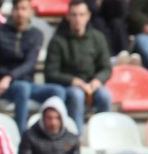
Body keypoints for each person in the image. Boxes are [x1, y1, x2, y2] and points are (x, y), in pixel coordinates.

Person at [0, 0, 50, 134]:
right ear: (12, 10)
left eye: (24, 9)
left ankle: (51, 136)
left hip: (26, 83)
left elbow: (30, 63)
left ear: (30, 11)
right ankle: (20, 135)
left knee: (59, 92)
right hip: (1, 85)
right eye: (17, 8)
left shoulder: (36, 34)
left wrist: (10, 77)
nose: (20, 12)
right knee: (22, 88)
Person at [44, 1, 112, 138]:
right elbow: (50, 73)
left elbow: (106, 67)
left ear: (88, 16)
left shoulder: (98, 38)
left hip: (92, 84)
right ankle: (76, 137)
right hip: (69, 86)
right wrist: (73, 80)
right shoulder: (58, 40)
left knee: (105, 96)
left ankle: (104, 136)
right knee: (76, 95)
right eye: (74, 15)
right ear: (68, 16)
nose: (77, 19)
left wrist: (98, 80)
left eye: (81, 15)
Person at [17, 96, 81, 154]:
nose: (53, 122)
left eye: (57, 118)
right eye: (49, 118)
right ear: (43, 118)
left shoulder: (72, 139)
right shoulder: (29, 136)